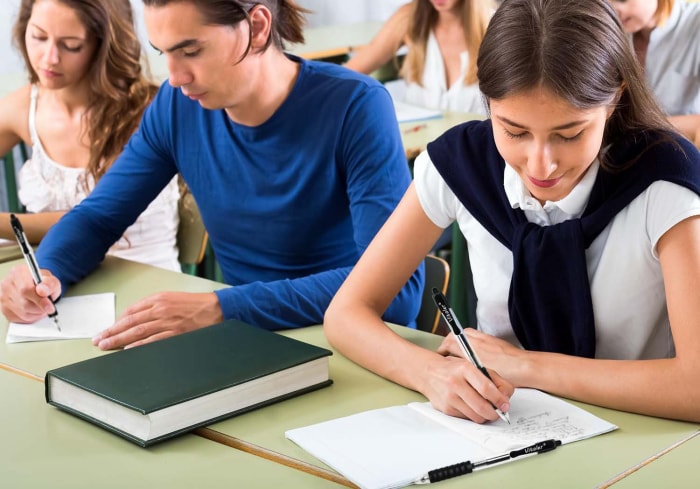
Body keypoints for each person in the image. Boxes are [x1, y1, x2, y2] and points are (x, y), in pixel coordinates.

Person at [325, 0, 700, 424]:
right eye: (514, 131)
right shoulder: (460, 164)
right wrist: (430, 374)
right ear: (486, 101)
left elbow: (696, 386)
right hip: (502, 430)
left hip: (645, 437)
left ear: (614, 101)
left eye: (569, 134)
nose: (540, 166)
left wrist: (528, 366)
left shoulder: (666, 180)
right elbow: (345, 314)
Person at [0, 0, 422, 350]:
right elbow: (99, 218)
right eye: (163, 53)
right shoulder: (175, 106)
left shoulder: (357, 106)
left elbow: (396, 293)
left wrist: (224, 307)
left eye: (191, 51)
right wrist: (48, 272)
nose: (175, 77)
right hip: (245, 344)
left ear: (257, 27)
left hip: (348, 345)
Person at [0, 0, 180, 271]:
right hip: (56, 272)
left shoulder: (147, 112)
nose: (49, 58)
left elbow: (97, 222)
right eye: (38, 36)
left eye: (70, 45)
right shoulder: (22, 106)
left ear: (103, 45)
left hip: (144, 273)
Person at [344, 0, 493, 114]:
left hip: (473, 150)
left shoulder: (496, 28)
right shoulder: (410, 18)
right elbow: (345, 74)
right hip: (417, 149)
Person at [611, 0, 700, 147]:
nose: (613, 9)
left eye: (622, 0)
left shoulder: (695, 23)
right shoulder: (614, 33)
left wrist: (639, 128)